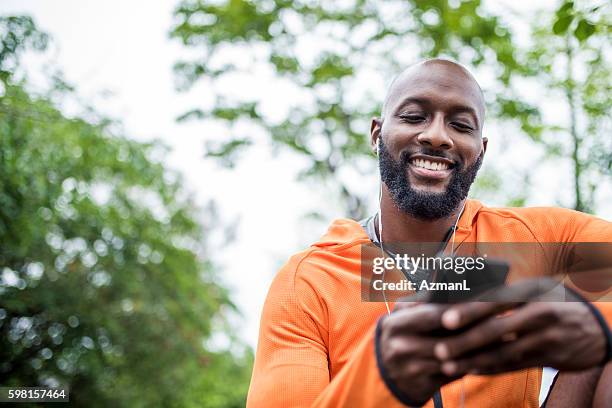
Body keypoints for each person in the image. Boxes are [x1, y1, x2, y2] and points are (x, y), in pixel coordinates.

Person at [246, 59, 612, 407]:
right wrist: (382, 378)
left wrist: (594, 320)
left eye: (461, 125)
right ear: (377, 134)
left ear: (480, 151)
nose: (437, 136)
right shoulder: (310, 282)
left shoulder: (528, 240)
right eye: (414, 116)